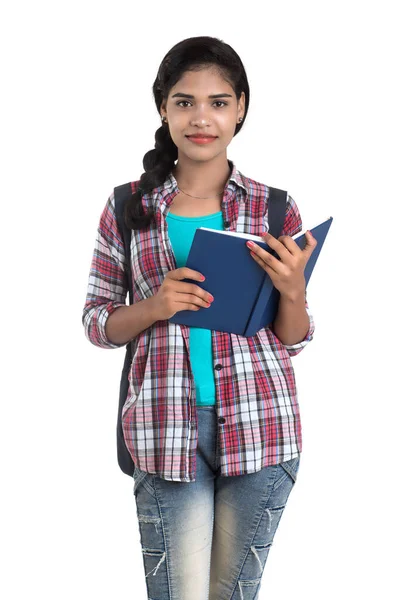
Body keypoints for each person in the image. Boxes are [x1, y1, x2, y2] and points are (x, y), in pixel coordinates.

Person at [82, 35, 317, 600]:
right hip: (164, 432)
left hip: (262, 427)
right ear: (163, 109)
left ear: (240, 108)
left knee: (232, 595)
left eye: (217, 102)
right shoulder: (127, 207)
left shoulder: (273, 208)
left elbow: (294, 338)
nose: (201, 118)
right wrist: (155, 306)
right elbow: (96, 322)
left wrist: (292, 292)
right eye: (185, 102)